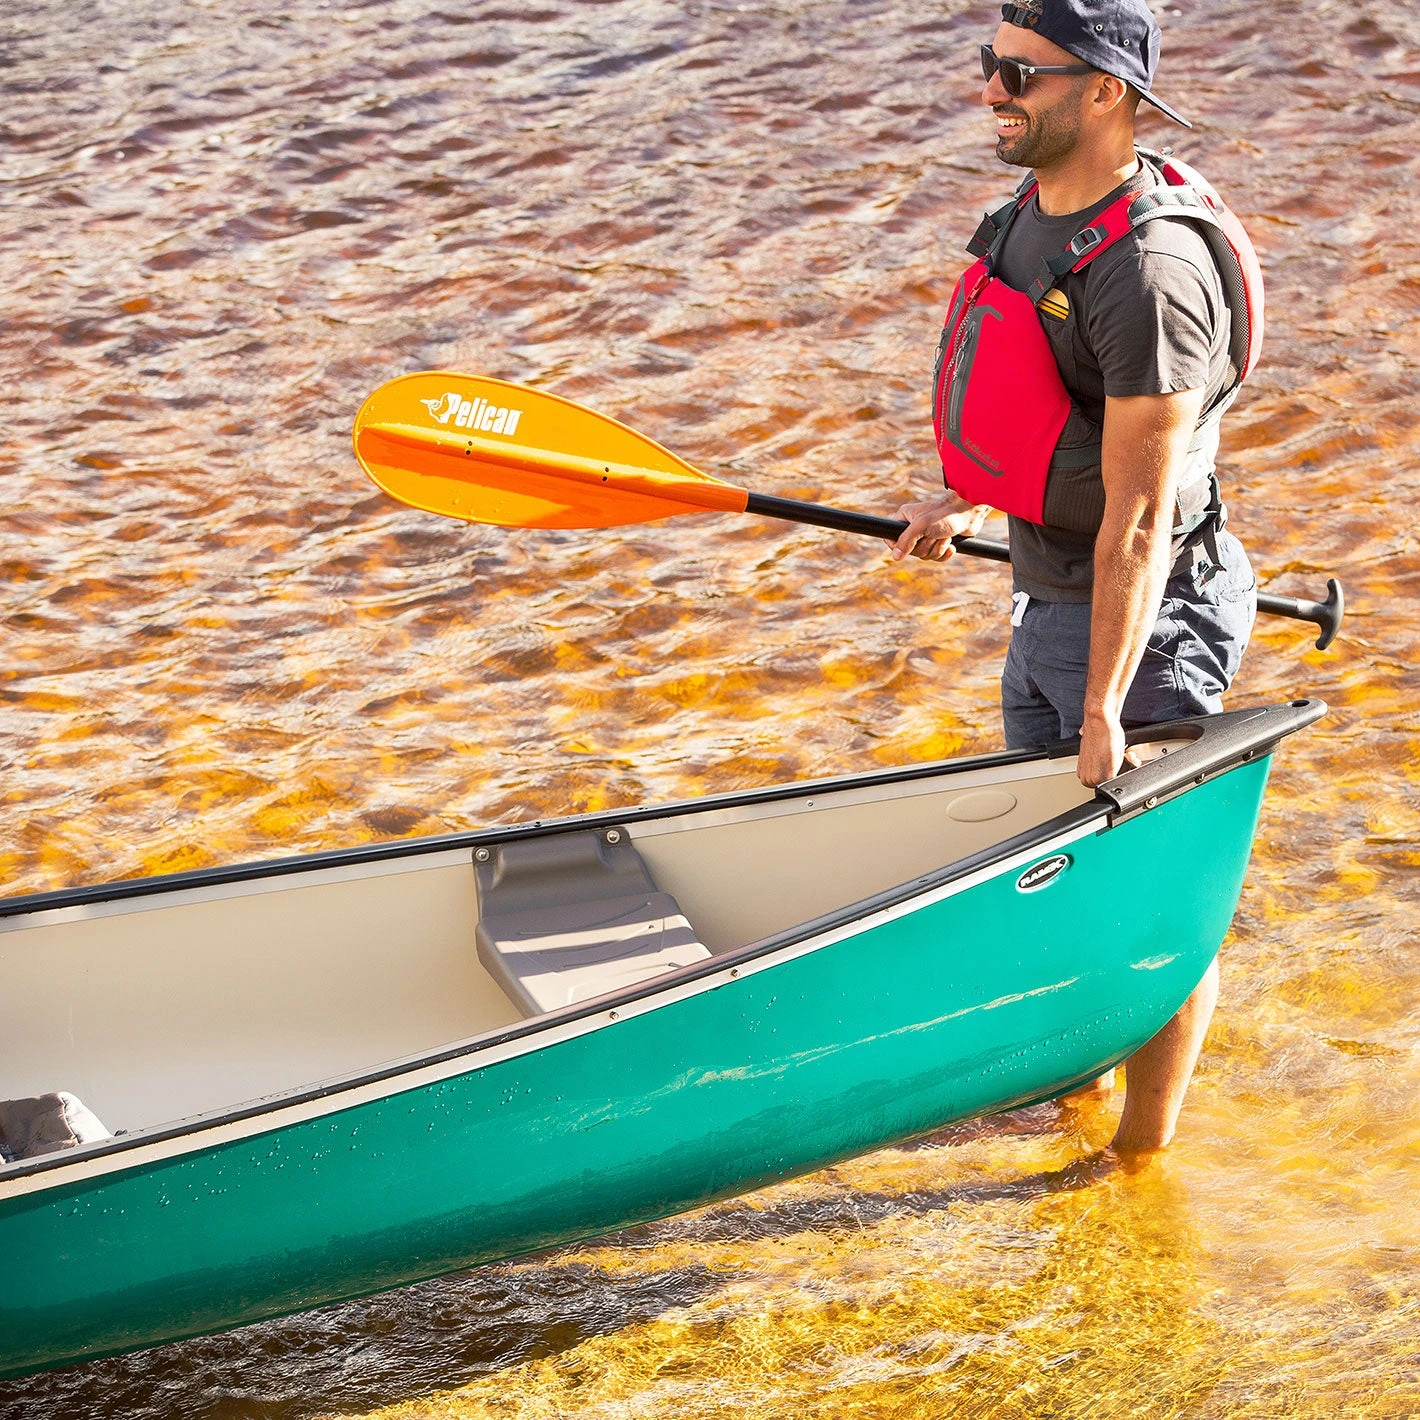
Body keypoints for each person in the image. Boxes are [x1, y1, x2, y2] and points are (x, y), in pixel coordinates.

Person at [888, 0, 1260, 1152]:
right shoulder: (1028, 219)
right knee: (1055, 874)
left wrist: (1103, 703)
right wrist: (970, 492)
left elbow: (1142, 516)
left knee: (1152, 902)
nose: (989, 92)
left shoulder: (1148, 272)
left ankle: (1141, 1155)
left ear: (1105, 90)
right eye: (987, 65)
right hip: (1051, 599)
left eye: (1018, 74)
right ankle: (1078, 1094)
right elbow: (1045, 407)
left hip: (1142, 614)